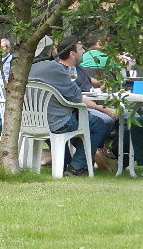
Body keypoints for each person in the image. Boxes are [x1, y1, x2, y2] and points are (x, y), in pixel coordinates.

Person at [28, 34, 114, 177]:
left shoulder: (27, 68)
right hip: (57, 123)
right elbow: (78, 99)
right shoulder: (56, 69)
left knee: (85, 122)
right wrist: (103, 109)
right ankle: (77, 167)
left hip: (32, 121)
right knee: (100, 123)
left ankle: (71, 161)